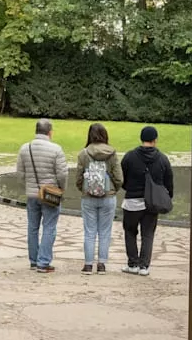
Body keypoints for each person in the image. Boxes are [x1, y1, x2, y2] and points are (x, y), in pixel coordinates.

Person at [120, 125, 173, 276]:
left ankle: (132, 264)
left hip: (132, 201)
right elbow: (169, 181)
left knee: (130, 232)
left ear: (141, 138)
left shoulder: (130, 156)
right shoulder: (162, 159)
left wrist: (129, 188)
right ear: (155, 140)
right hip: (153, 202)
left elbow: (121, 177)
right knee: (148, 234)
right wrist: (168, 196)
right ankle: (144, 266)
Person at [16, 118, 67, 274]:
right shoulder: (56, 149)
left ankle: (33, 260)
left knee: (32, 228)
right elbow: (62, 174)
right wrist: (61, 189)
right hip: (50, 194)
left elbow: (20, 174)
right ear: (50, 132)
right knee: (49, 227)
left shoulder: (25, 148)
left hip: (32, 194)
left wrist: (29, 185)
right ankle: (43, 262)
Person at [75, 123, 123, 275]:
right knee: (105, 231)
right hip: (108, 197)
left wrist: (83, 189)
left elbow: (78, 177)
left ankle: (88, 265)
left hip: (88, 197)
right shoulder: (112, 153)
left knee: (89, 231)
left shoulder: (83, 154)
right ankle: (101, 264)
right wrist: (113, 189)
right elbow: (119, 178)